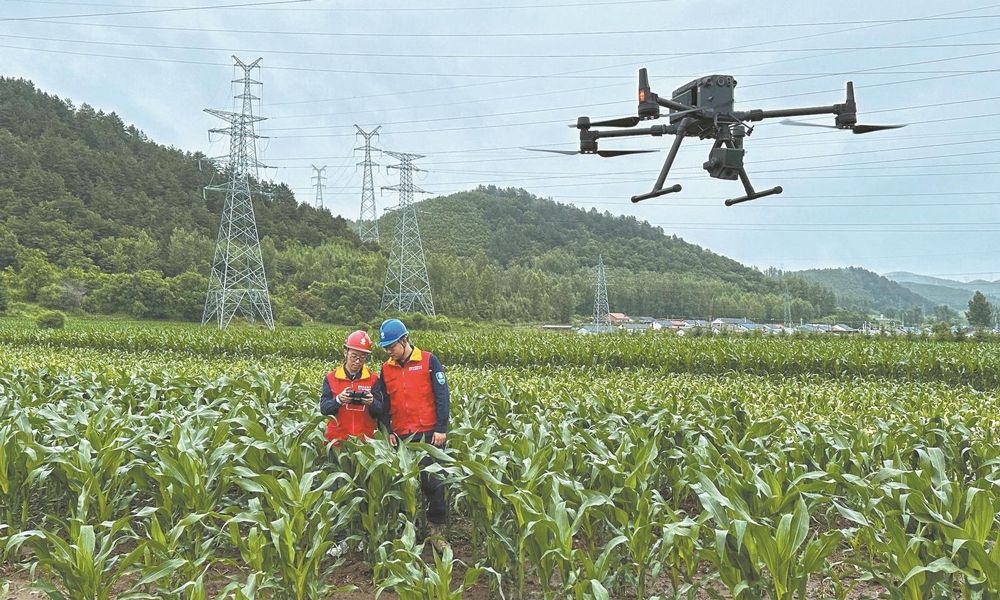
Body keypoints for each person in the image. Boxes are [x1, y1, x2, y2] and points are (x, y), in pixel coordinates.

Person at [371, 318, 451, 551]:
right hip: (402, 435)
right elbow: (384, 403)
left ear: (404, 340)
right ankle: (409, 531)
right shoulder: (387, 368)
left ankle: (436, 532)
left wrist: (441, 428)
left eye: (391, 346)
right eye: (385, 348)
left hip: (428, 433)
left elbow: (441, 396)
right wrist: (388, 430)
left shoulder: (428, 361)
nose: (388, 352)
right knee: (405, 485)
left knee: (433, 482)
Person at [319, 329, 382, 557]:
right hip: (338, 444)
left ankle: (363, 537)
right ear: (345, 352)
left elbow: (381, 411)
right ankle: (340, 540)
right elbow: (324, 408)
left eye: (363, 357)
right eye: (354, 356)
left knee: (364, 493)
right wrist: (338, 400)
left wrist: (372, 401)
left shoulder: (373, 379)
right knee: (339, 493)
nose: (358, 362)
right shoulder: (331, 378)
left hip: (365, 445)